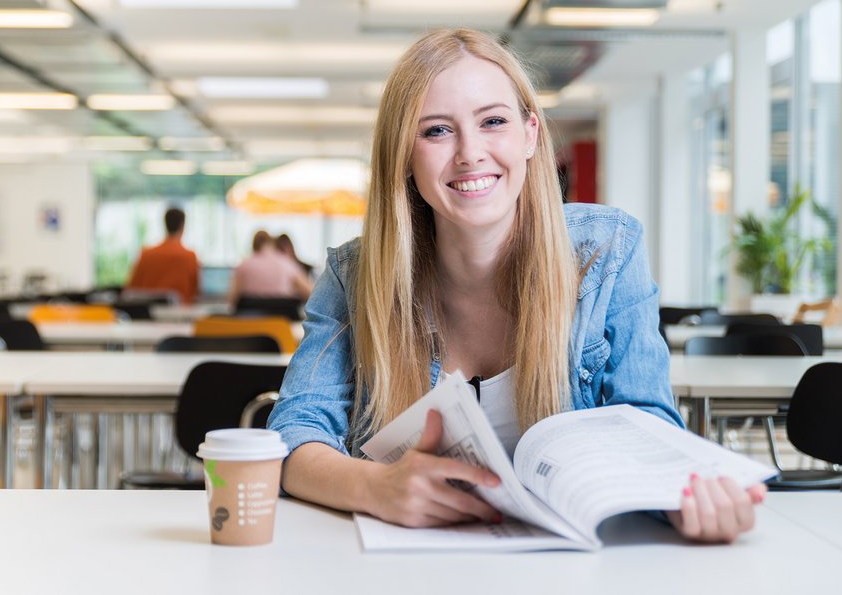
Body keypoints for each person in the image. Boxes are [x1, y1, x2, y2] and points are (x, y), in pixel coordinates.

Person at [267, 28, 765, 543]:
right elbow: (293, 433)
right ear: (402, 156)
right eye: (436, 131)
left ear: (530, 135)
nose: (469, 153)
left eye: (493, 122)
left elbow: (648, 423)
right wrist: (376, 487)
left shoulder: (607, 251)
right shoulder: (356, 275)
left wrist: (680, 502)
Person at [125, 207, 200, 305]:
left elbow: (131, 289)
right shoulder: (190, 256)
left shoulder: (146, 254)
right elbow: (195, 293)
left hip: (148, 315)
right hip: (180, 316)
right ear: (182, 226)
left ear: (165, 224)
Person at [226, 230, 313, 309]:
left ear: (254, 246)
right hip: (282, 323)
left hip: (249, 323)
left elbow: (232, 300)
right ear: (273, 244)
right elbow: (311, 295)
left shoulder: (243, 265)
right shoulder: (287, 264)